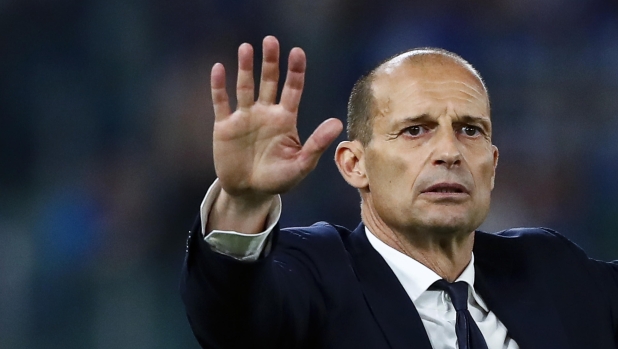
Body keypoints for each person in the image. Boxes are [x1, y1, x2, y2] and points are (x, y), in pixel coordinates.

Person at [180, 36, 618, 349]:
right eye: (415, 130)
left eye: (470, 130)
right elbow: (230, 319)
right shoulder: (317, 273)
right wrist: (243, 201)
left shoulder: (547, 268)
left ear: (493, 166)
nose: (449, 151)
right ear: (356, 164)